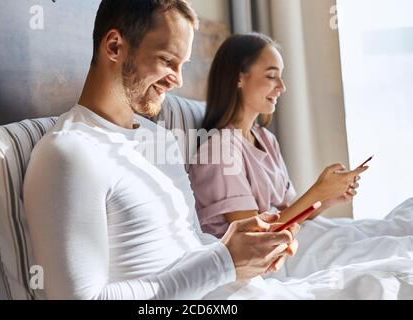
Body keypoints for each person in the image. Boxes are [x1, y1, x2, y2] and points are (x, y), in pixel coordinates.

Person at [23, 0, 299, 300]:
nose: (178, 80)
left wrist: (245, 255)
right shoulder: (70, 152)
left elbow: (191, 245)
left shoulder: (160, 139)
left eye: (183, 66)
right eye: (168, 60)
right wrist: (223, 262)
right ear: (115, 46)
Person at [189, 33, 368, 238]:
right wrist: (318, 191)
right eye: (271, 76)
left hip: (287, 237)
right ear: (238, 78)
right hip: (264, 253)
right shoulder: (220, 151)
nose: (282, 87)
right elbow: (253, 235)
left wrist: (327, 197)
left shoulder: (266, 139)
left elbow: (289, 213)